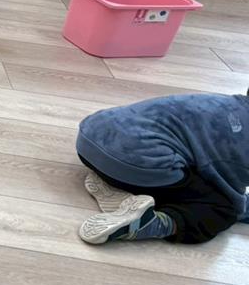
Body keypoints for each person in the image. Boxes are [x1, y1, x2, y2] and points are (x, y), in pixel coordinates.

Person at [76, 92, 249, 245]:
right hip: (134, 160)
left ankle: (117, 184)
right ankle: (151, 224)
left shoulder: (226, 103)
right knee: (222, 209)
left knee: (188, 163)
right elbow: (227, 189)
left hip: (89, 139)